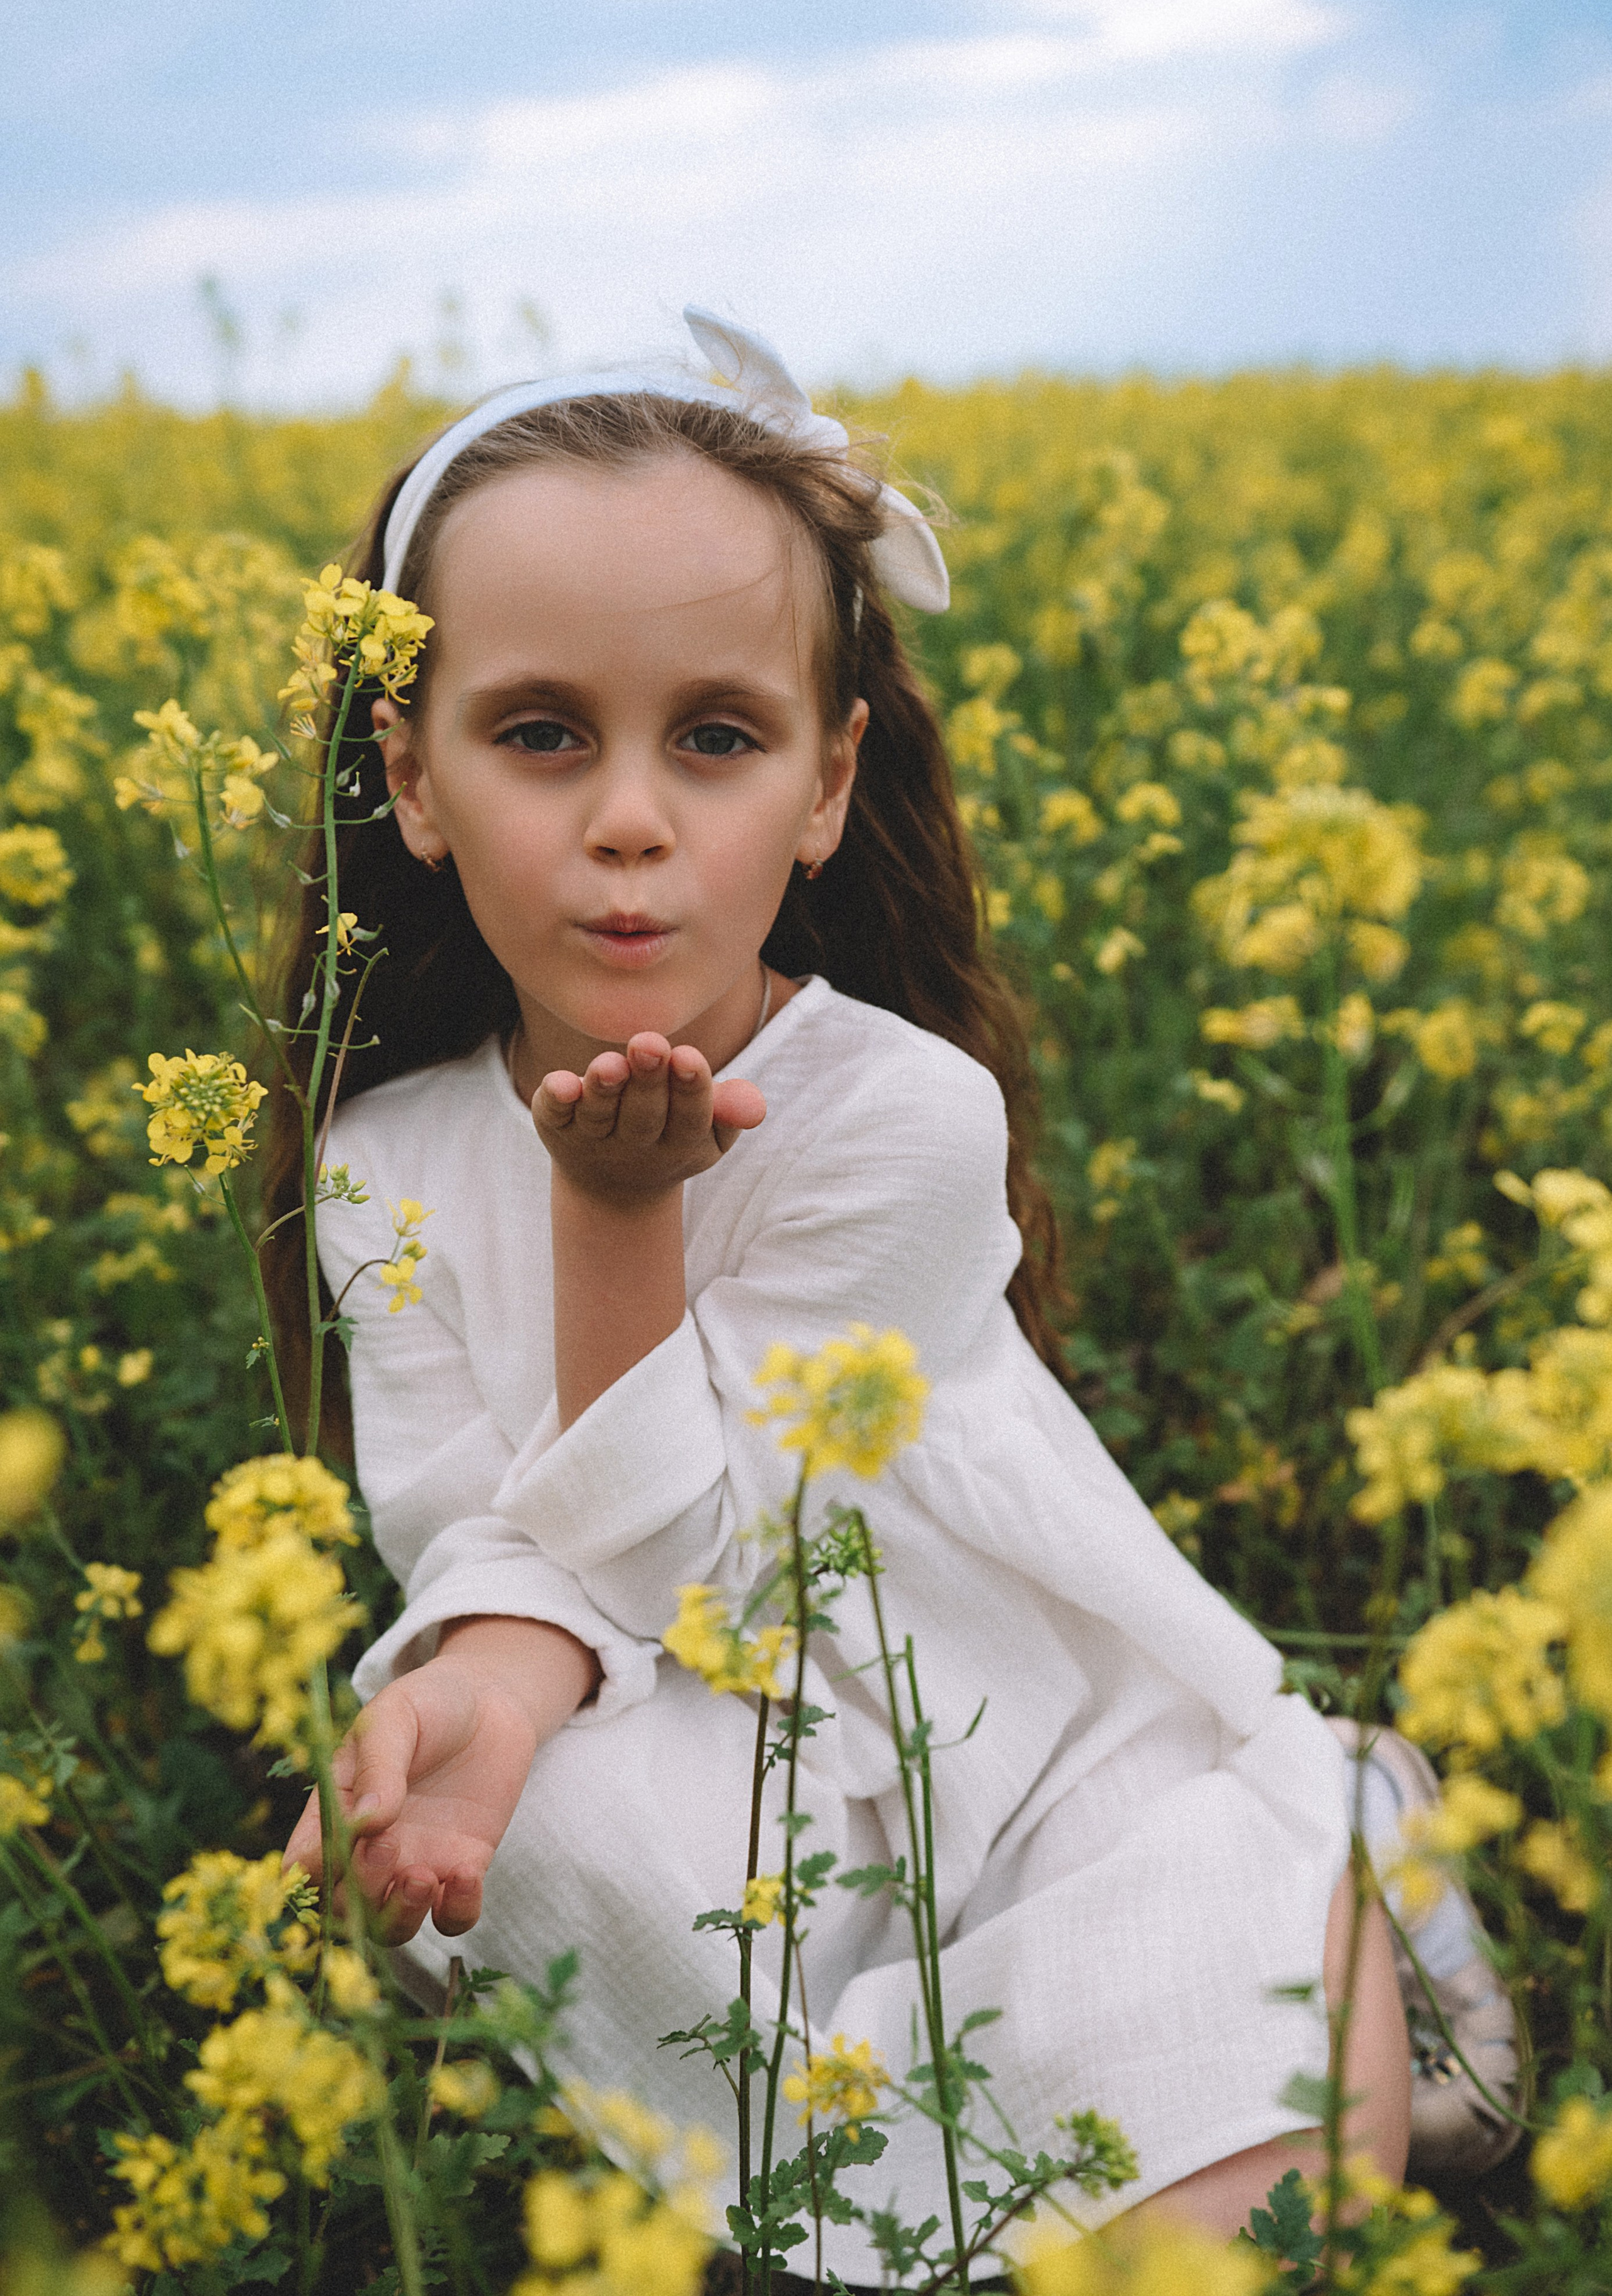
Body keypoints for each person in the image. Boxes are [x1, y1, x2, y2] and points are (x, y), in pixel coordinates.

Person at [273, 310, 1501, 2276]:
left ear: (829, 785)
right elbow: (482, 1530)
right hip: (700, 1747)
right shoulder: (382, 1156)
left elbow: (704, 1554)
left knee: (1244, 2218)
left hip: (1020, 1745)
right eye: (541, 735)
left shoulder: (902, 1112)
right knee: (515, 1825)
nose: (629, 819)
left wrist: (616, 1212)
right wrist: (484, 1688)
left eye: (717, 739)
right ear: (414, 782)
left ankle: (1336, 1848)